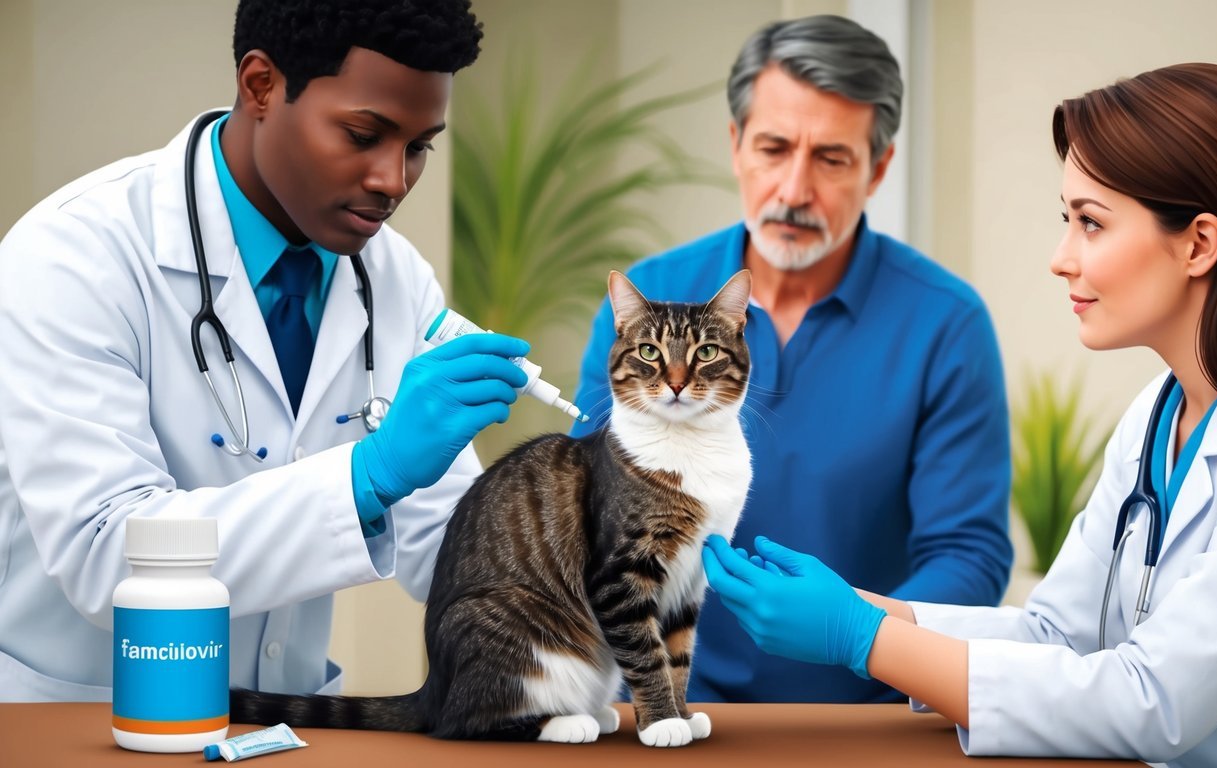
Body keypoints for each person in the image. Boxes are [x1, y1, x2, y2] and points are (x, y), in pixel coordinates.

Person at [702, 62, 1217, 766]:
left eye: (1090, 223)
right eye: (1067, 221)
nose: (1060, 259)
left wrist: (859, 638)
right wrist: (860, 607)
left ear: (1198, 244)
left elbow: (1155, 701)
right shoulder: (1156, 416)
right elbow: (1055, 636)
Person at [0, 0, 534, 702]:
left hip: (285, 721)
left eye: (418, 146)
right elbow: (109, 559)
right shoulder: (75, 258)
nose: (392, 181)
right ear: (260, 86)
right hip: (83, 718)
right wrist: (367, 476)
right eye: (364, 134)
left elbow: (448, 546)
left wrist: (585, 543)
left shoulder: (394, 279)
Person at [570, 15, 1013, 704]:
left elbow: (968, 557)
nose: (793, 190)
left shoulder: (946, 324)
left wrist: (851, 630)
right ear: (736, 145)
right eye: (773, 148)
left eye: (830, 159)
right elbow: (589, 519)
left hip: (871, 723)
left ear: (879, 168)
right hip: (665, 711)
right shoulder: (643, 311)